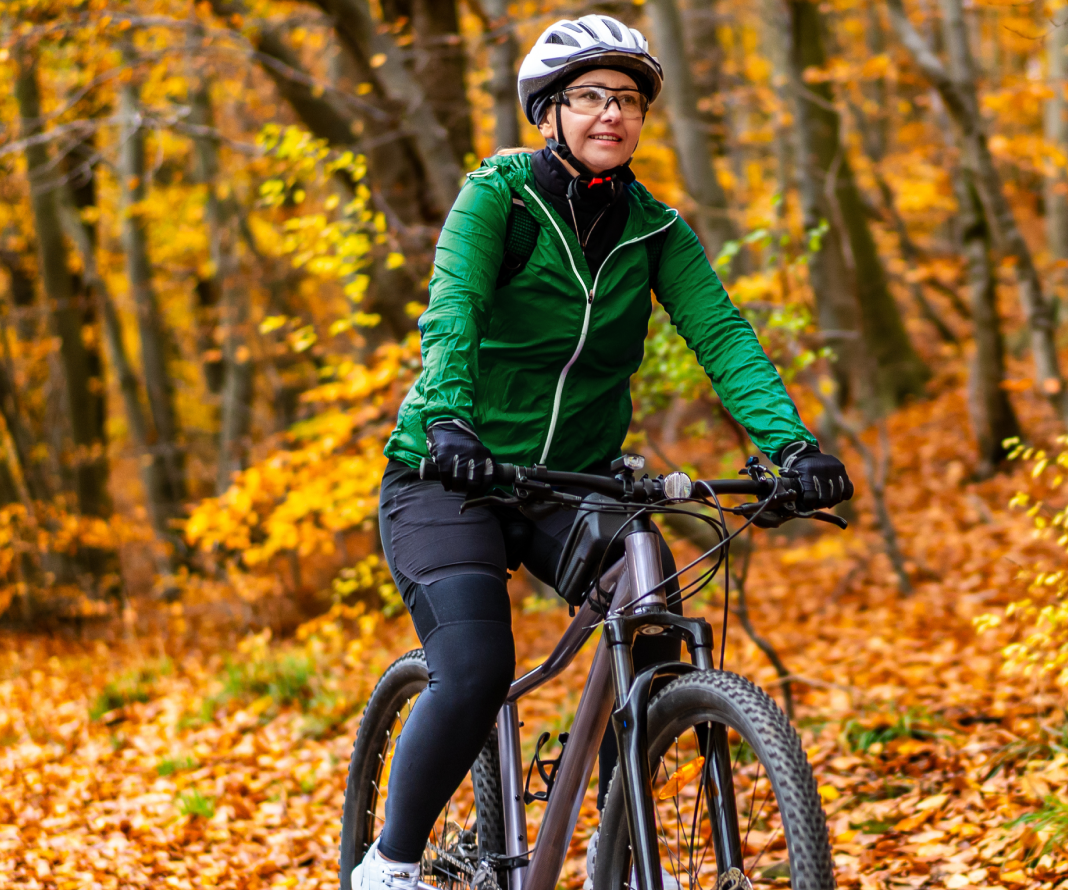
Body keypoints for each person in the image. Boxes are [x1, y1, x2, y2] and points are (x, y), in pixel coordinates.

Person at [354, 14, 853, 890]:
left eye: (627, 99)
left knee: (653, 622)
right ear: (548, 112)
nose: (612, 114)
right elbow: (453, 312)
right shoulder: (500, 200)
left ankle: (619, 853)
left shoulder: (655, 230)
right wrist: (448, 421)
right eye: (589, 96)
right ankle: (390, 865)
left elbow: (724, 337)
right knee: (475, 668)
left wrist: (792, 446)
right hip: (448, 475)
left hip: (569, 483)